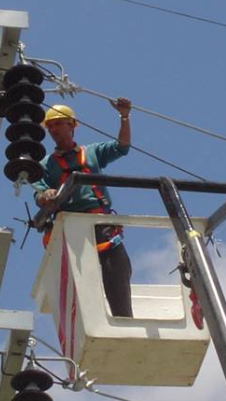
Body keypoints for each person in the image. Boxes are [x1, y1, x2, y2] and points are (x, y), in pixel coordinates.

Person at [32, 99, 134, 317]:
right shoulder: (45, 165)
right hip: (71, 227)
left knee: (116, 270)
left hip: (100, 222)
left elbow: (122, 147)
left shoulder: (92, 153)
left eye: (58, 124)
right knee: (79, 279)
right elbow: (39, 193)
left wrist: (124, 117)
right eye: (50, 126)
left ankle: (123, 318)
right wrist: (46, 195)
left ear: (72, 125)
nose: (53, 130)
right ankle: (89, 318)